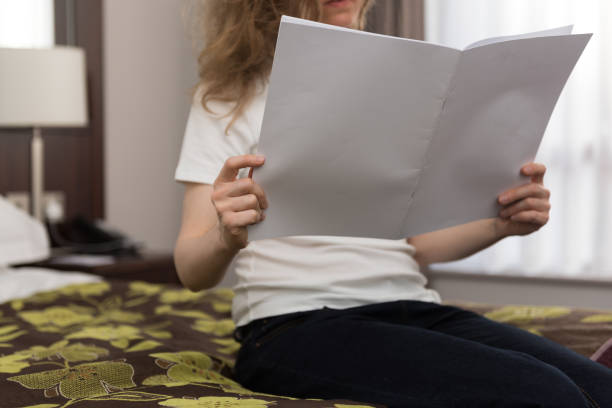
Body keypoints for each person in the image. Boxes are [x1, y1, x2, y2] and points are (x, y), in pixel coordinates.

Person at [174, 1, 612, 407]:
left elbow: (412, 245)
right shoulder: (226, 99)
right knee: (544, 392)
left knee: (600, 388)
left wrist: (501, 224)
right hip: (291, 323)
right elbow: (192, 271)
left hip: (411, 305)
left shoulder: (397, 87)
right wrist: (225, 233)